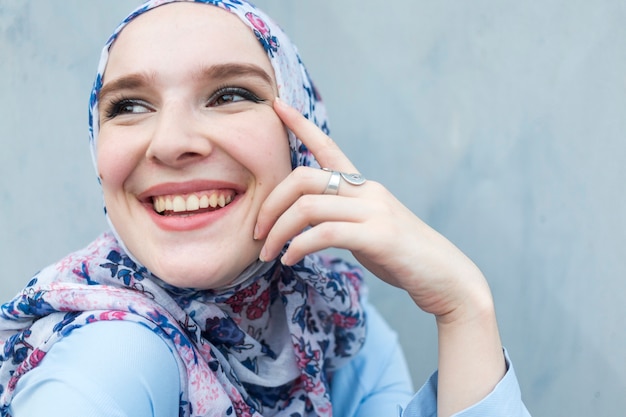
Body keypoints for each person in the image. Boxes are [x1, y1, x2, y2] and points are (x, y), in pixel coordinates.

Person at [0, 1, 530, 416]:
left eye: (229, 94)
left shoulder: (330, 322)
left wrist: (464, 308)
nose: (170, 142)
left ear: (300, 138)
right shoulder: (117, 350)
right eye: (129, 106)